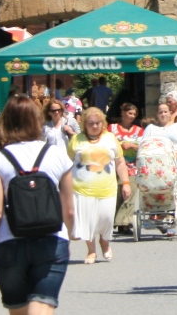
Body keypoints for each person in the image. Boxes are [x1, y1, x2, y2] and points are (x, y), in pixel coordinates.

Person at [0, 94, 75, 313]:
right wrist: (67, 236)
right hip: (51, 240)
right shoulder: (57, 155)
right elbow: (68, 208)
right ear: (36, 120)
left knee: (19, 311)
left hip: (10, 243)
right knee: (41, 307)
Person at [68, 107, 129, 264]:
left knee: (106, 219)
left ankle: (105, 242)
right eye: (90, 123)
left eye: (97, 123)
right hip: (81, 189)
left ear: (103, 123)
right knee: (88, 221)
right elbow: (68, 163)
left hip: (107, 188)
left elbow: (120, 162)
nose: (94, 126)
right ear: (85, 124)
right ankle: (91, 252)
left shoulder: (110, 138)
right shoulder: (76, 140)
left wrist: (125, 183)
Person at [144, 102, 177, 220]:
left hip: (173, 161)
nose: (163, 114)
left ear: (170, 113)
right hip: (155, 164)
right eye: (160, 112)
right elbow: (144, 143)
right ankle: (157, 211)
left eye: (165, 111)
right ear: (157, 114)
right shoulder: (151, 128)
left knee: (176, 188)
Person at [109, 103, 143, 233]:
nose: (132, 116)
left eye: (134, 114)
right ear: (123, 113)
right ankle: (114, 221)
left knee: (129, 194)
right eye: (130, 113)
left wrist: (132, 146)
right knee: (117, 194)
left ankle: (124, 223)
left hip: (132, 167)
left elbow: (144, 146)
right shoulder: (112, 129)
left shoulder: (139, 130)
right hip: (115, 166)